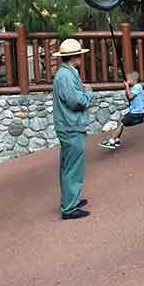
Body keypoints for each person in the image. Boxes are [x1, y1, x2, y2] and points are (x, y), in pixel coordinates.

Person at [52, 39, 93, 220]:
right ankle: (69, 207)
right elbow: (76, 102)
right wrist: (89, 93)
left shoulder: (66, 74)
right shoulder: (66, 76)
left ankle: (71, 199)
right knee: (73, 167)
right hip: (71, 126)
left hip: (68, 126)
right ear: (75, 57)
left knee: (69, 166)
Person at [100, 71, 144, 150]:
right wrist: (126, 87)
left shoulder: (138, 86)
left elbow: (130, 96)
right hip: (134, 112)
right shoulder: (134, 88)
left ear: (133, 79)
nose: (126, 81)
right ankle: (117, 140)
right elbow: (128, 97)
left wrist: (127, 86)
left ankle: (111, 141)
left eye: (128, 80)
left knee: (121, 124)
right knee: (121, 123)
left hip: (137, 113)